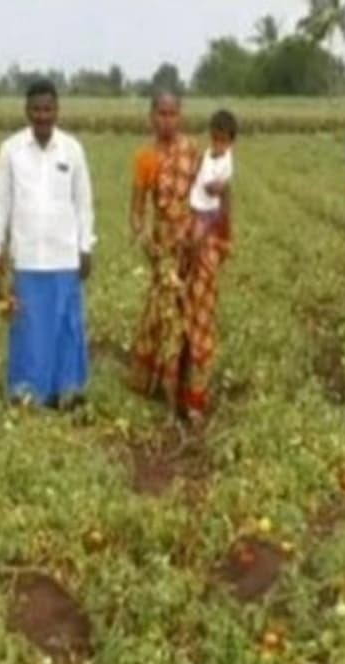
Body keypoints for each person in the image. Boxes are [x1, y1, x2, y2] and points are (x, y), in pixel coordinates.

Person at [0, 79, 96, 408]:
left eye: (48, 109)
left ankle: (67, 391)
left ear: (57, 110)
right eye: (36, 109)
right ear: (27, 111)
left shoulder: (72, 149)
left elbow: (83, 203)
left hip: (64, 255)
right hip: (28, 256)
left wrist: (85, 245)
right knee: (30, 329)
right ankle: (28, 391)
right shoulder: (10, 150)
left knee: (65, 326)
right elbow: (1, 203)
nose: (43, 116)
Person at [129, 91, 234, 425]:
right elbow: (136, 211)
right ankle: (168, 394)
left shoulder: (194, 154)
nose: (167, 120)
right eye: (161, 113)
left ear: (181, 116)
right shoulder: (145, 159)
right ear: (151, 116)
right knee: (169, 319)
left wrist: (208, 235)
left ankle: (195, 399)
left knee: (198, 318)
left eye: (173, 114)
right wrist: (145, 238)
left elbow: (213, 196)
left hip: (198, 245)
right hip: (165, 251)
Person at [189, 110, 237, 247]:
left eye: (223, 141)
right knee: (193, 238)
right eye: (215, 139)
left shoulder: (227, 162)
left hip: (210, 209)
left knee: (200, 239)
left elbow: (213, 189)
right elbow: (199, 166)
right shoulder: (208, 154)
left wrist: (218, 188)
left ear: (231, 142)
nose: (218, 144)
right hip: (196, 204)